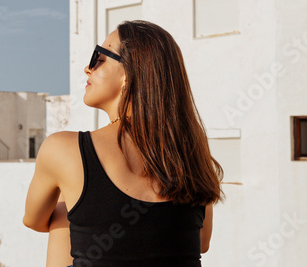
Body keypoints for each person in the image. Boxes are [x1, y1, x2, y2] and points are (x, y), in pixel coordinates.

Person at [23, 20, 225, 266]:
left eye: (99, 57)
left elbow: (33, 220)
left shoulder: (64, 149)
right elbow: (200, 241)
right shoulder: (190, 152)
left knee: (67, 208)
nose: (88, 68)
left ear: (128, 75)